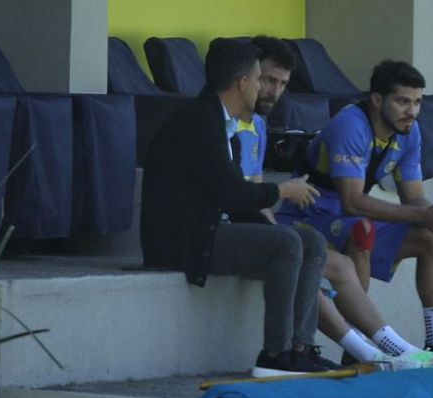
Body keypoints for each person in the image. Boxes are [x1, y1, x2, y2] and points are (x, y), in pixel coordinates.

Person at [237, 36, 433, 369]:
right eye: (403, 102)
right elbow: (353, 202)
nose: (412, 111)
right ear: (377, 99)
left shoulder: (409, 131)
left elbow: (414, 197)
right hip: (312, 216)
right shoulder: (351, 125)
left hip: (340, 218)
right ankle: (364, 349)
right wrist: (423, 213)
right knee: (361, 229)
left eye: (417, 103)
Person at [140, 39, 339, 377]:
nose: (265, 88)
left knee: (310, 241)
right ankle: (275, 355)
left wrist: (272, 224)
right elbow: (234, 194)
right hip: (182, 241)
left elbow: (235, 199)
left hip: (209, 229)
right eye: (261, 78)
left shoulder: (223, 125)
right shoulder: (198, 122)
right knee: (286, 243)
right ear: (243, 82)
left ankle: (300, 348)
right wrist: (282, 190)